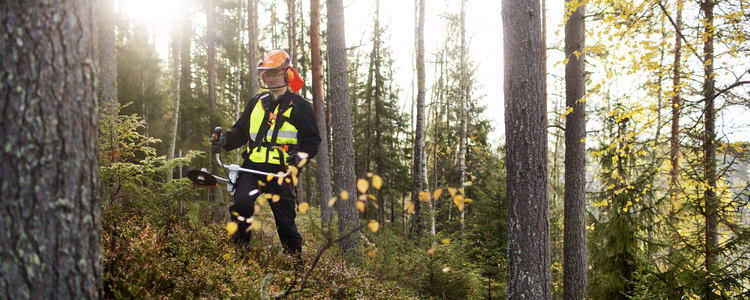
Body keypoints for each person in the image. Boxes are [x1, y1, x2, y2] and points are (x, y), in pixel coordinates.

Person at [211, 49, 320, 255]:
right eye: (267, 74)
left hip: (282, 171)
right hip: (253, 168)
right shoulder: (255, 103)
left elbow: (312, 141)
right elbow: (240, 132)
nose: (269, 78)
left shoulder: (300, 107)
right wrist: (224, 139)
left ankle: (295, 262)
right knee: (241, 204)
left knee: (285, 221)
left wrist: (299, 158)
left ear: (288, 74)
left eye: (275, 73)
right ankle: (240, 252)